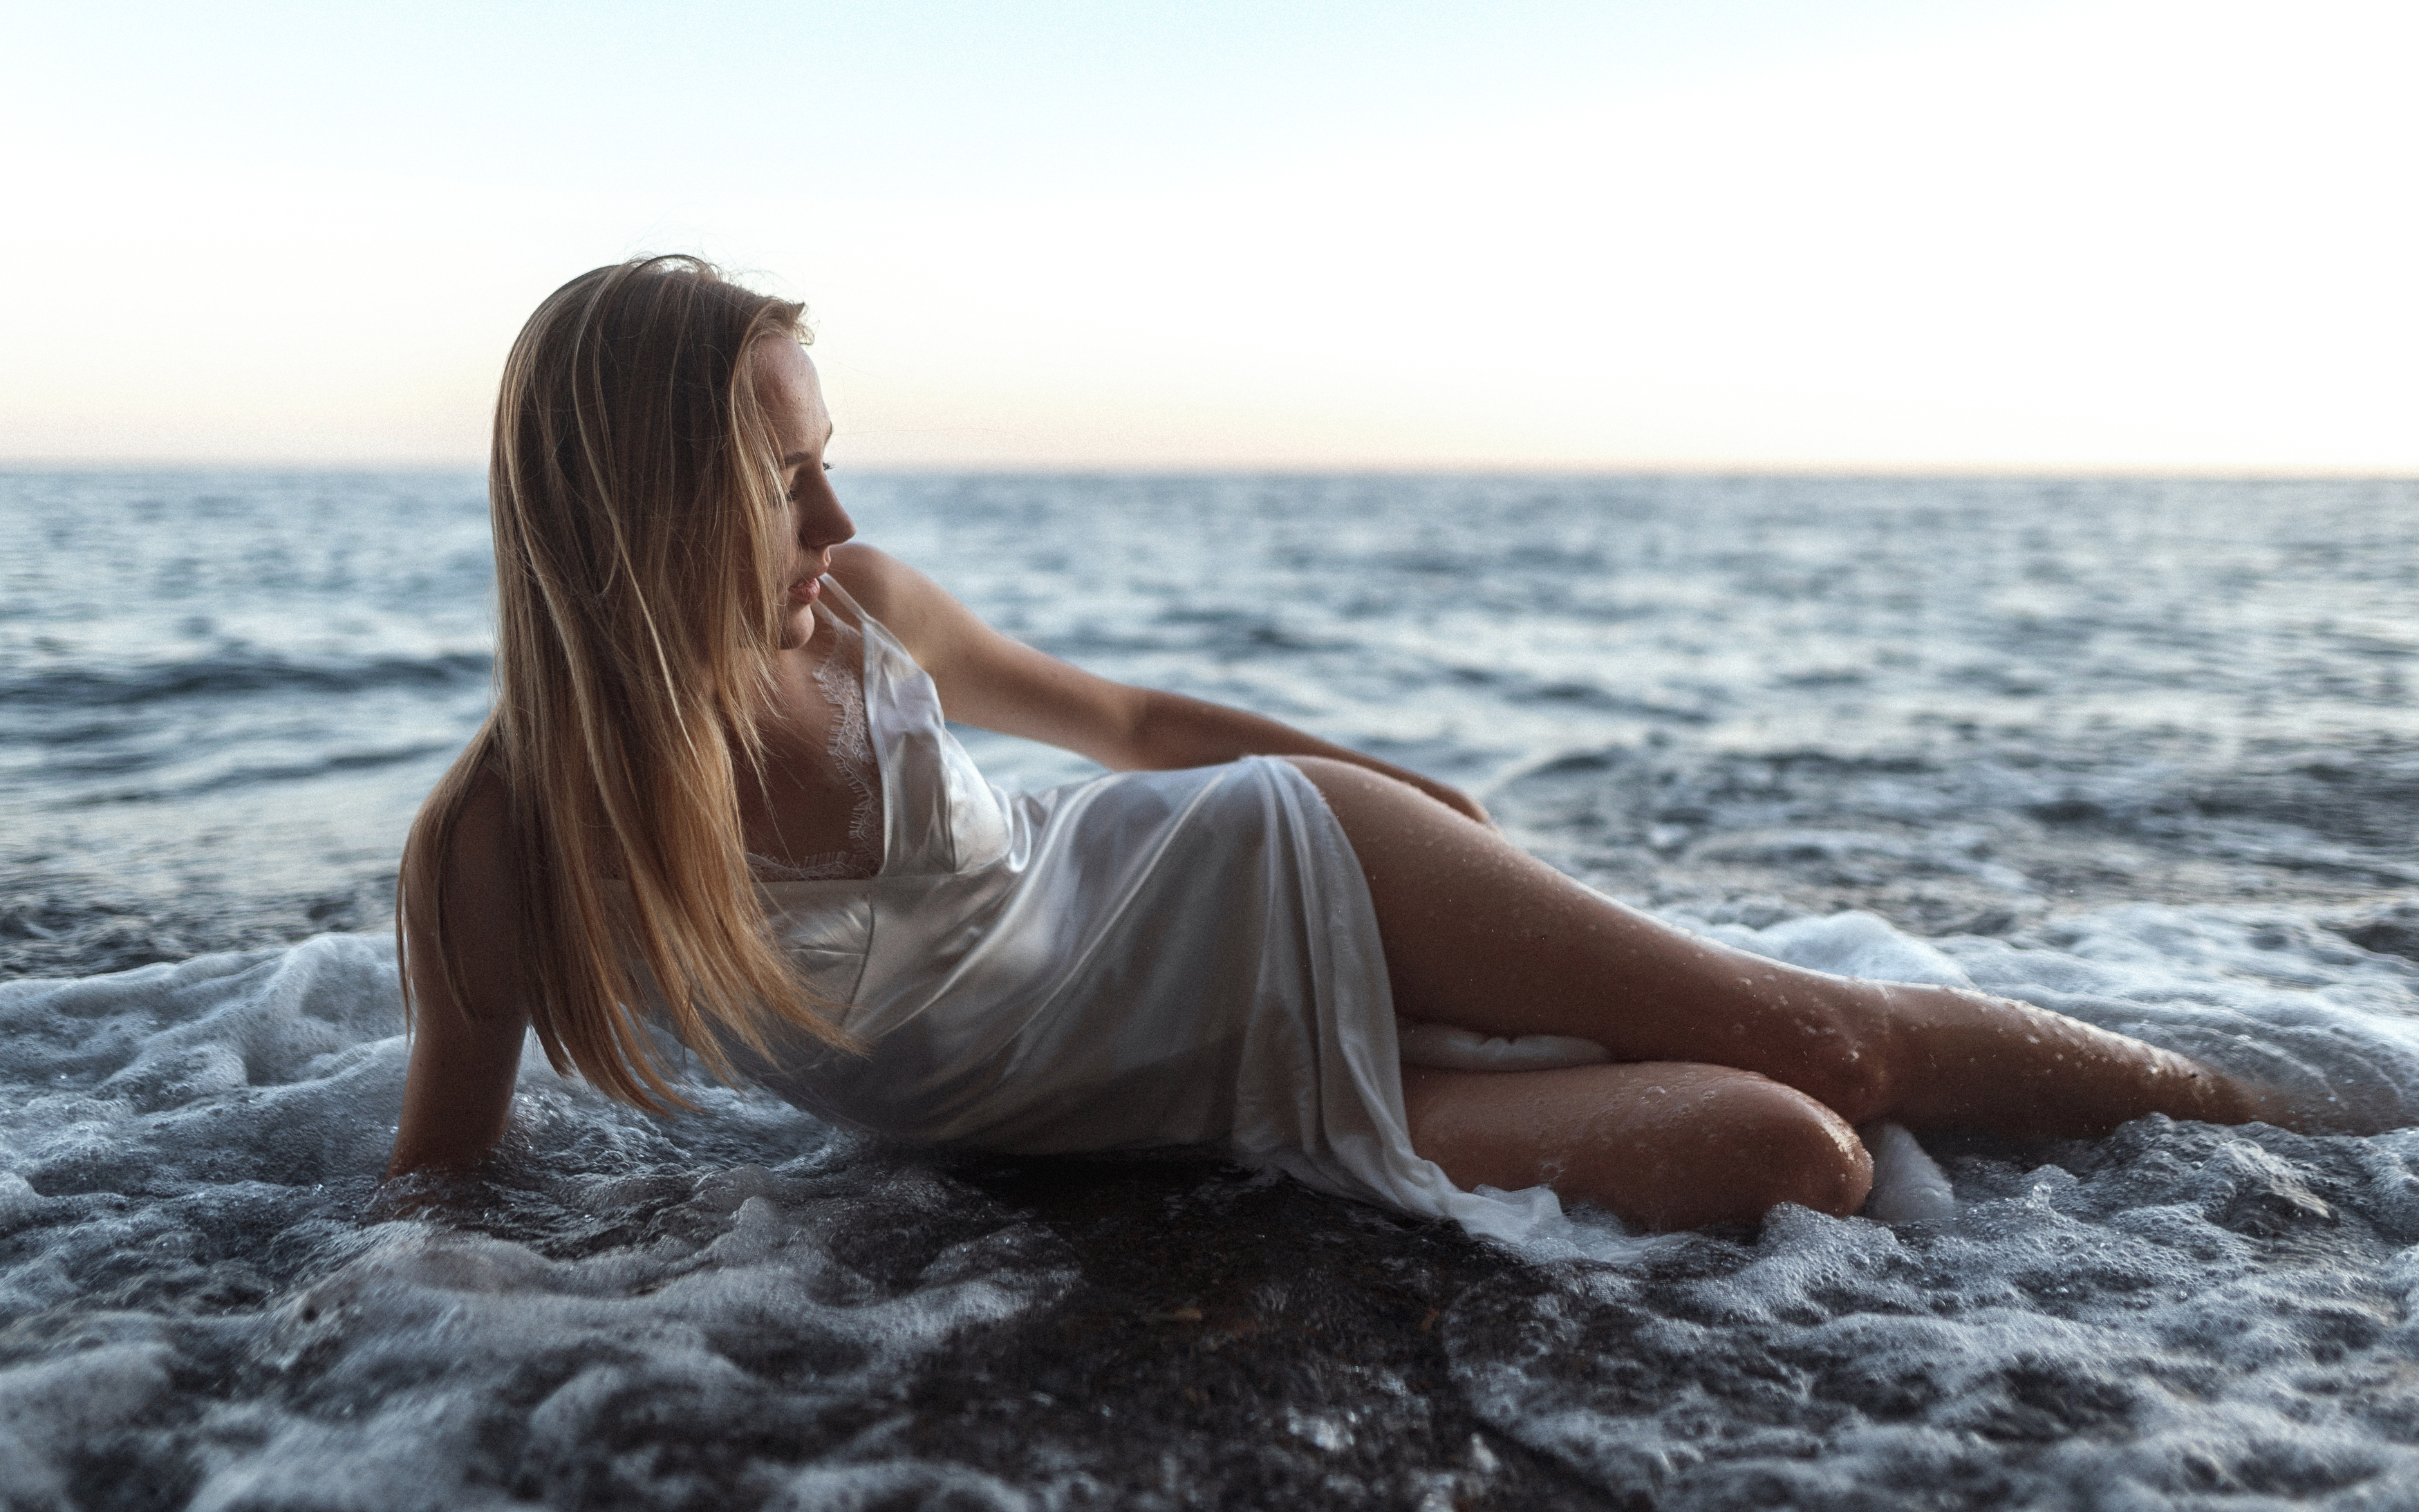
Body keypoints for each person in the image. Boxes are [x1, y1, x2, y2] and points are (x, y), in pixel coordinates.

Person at [385, 255, 2278, 1236]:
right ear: (636, 506)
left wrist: (1398, 793)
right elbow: (441, 1184)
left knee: (1821, 1038)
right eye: (777, 474)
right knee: (1795, 1156)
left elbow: (1122, 726)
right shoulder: (511, 851)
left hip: (1269, 868)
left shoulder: (866, 607)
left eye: (823, 459)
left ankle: (2289, 1131)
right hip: (1216, 1097)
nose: (831, 514)